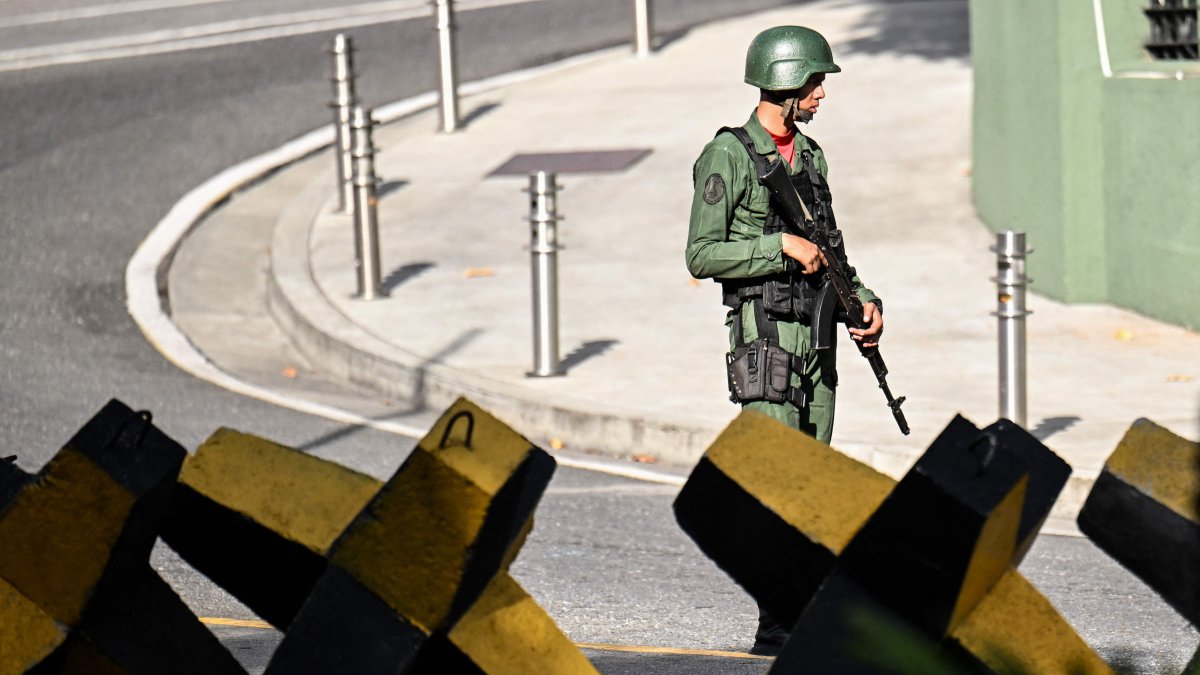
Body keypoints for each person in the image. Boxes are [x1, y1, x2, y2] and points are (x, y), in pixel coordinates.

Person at [683, 25, 885, 656]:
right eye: (815, 82)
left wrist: (866, 300)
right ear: (786, 81)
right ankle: (776, 628)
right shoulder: (729, 156)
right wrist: (776, 247)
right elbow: (701, 254)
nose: (822, 93)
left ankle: (804, 612)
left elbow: (831, 243)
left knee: (814, 480)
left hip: (817, 335)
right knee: (777, 481)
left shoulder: (813, 156)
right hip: (764, 335)